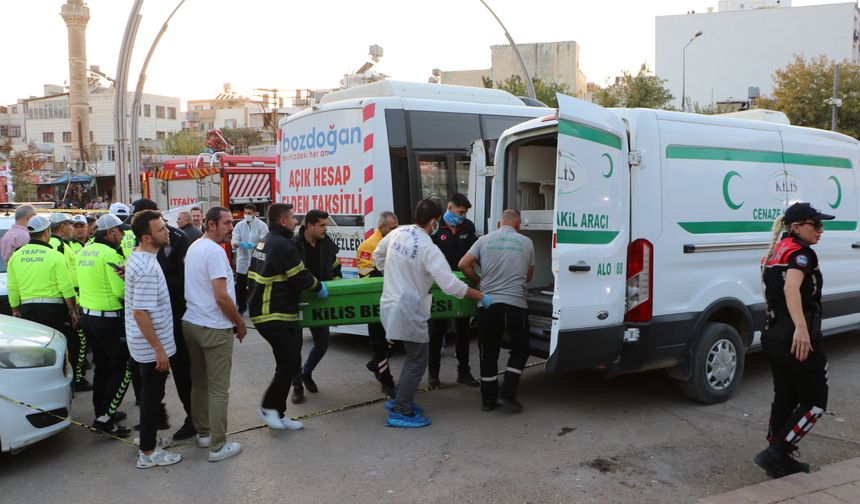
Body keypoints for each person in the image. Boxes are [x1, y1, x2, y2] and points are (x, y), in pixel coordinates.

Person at [373, 198, 490, 428]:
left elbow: (378, 254)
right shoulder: (428, 248)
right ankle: (401, 410)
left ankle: (400, 400)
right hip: (409, 309)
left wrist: (394, 273)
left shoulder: (398, 233)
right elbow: (451, 285)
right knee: (417, 360)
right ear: (435, 221)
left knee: (412, 357)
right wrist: (481, 296)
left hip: (390, 304)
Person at [755, 202, 833, 478]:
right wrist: (801, 327)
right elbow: (791, 288)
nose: (821, 230)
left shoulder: (776, 250)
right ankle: (776, 453)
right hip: (796, 336)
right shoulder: (801, 253)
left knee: (786, 394)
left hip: (774, 333)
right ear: (797, 227)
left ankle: (778, 456)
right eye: (816, 224)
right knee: (815, 402)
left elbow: (768, 295)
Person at [248, 203, 324, 430]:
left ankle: (278, 414)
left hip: (268, 311)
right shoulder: (282, 244)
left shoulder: (266, 240)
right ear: (282, 221)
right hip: (272, 313)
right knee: (291, 361)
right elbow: (300, 276)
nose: (295, 222)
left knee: (285, 362)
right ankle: (267, 407)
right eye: (292, 218)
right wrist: (318, 286)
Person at [130, 198, 197, 441]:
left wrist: (155, 284)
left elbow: (184, 279)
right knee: (150, 385)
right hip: (149, 322)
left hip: (174, 316)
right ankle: (152, 427)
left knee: (181, 373)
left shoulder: (177, 239)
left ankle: (193, 419)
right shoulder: (141, 250)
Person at [183, 206, 245, 462]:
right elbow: (222, 296)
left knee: (200, 384)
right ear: (210, 224)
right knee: (219, 390)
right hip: (214, 327)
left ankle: (205, 434)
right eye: (227, 223)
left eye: (231, 223)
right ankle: (218, 447)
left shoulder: (195, 246)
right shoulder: (215, 252)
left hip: (192, 324)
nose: (231, 228)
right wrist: (239, 323)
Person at [459, 209, 534, 412]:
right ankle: (508, 392)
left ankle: (488, 400)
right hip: (515, 305)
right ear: (518, 224)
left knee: (488, 352)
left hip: (488, 304)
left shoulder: (484, 240)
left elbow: (463, 264)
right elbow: (529, 277)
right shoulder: (527, 243)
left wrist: (479, 281)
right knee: (521, 348)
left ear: (499, 224)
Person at [125, 209, 183, 469]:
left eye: (165, 226)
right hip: (150, 347)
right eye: (160, 229)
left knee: (150, 396)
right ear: (146, 238)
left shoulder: (138, 257)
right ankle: (148, 452)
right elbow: (140, 312)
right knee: (151, 398)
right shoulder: (147, 267)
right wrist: (159, 350)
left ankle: (148, 441)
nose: (167, 231)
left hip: (141, 344)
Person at [7, 215, 81, 396]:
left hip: (27, 311)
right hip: (53, 310)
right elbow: (66, 288)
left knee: (33, 354)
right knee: (61, 349)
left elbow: (13, 287)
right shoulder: (55, 256)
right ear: (47, 232)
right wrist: (74, 311)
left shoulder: (16, 256)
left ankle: (34, 389)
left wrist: (16, 310)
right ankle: (63, 387)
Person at [77, 214, 132, 437]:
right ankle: (105, 418)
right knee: (123, 368)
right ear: (110, 233)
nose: (122, 235)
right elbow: (120, 290)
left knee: (102, 367)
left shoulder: (85, 251)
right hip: (109, 318)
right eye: (120, 231)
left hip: (89, 317)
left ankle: (103, 411)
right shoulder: (110, 254)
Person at [428, 193, 479, 387]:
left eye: (465, 213)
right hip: (439, 285)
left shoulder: (468, 227)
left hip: (461, 284)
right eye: (461, 212)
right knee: (437, 331)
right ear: (449, 208)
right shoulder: (435, 227)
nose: (463, 216)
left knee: (463, 330)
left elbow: (472, 255)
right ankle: (433, 374)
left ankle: (463, 372)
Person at [290, 209, 341, 404]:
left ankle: (306, 373)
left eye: (326, 225)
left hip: (320, 299)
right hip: (297, 301)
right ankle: (296, 386)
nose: (325, 229)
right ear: (309, 225)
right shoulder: (293, 245)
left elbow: (336, 266)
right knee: (295, 346)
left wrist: (335, 283)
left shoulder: (326, 243)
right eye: (322, 225)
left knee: (323, 342)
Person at [356, 211, 399, 397]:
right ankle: (386, 381)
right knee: (379, 342)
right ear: (381, 227)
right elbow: (365, 274)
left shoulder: (397, 242)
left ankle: (376, 363)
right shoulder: (368, 246)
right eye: (392, 228)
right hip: (376, 300)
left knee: (394, 336)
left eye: (397, 227)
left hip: (394, 298)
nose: (396, 231)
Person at [48, 212, 90, 390]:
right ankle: (77, 379)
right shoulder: (59, 247)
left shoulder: (52, 244)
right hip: (66, 299)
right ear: (63, 227)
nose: (71, 228)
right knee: (78, 341)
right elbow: (66, 278)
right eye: (69, 224)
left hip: (55, 299)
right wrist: (73, 307)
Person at [230, 204, 268, 314]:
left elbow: (264, 243)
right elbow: (233, 242)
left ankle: (256, 307)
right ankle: (242, 306)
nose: (247, 215)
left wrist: (255, 246)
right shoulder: (239, 226)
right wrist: (241, 244)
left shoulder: (262, 226)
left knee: (256, 286)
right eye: (245, 213)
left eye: (249, 213)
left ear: (254, 214)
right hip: (242, 260)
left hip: (256, 260)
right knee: (240, 285)